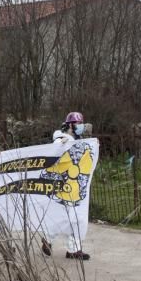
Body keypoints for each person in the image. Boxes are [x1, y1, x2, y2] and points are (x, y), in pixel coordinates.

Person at [41, 111, 90, 261]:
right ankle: (48, 239)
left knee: (78, 219)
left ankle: (74, 249)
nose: (80, 126)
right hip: (63, 186)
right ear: (70, 125)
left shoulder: (78, 140)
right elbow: (54, 156)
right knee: (61, 217)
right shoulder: (61, 140)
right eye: (78, 123)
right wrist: (60, 146)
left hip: (76, 185)